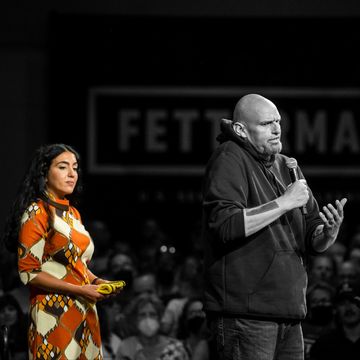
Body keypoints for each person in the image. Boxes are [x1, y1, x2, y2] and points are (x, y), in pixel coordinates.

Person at [201, 94, 347, 360]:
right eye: (267, 123)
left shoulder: (287, 165)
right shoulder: (229, 157)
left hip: (289, 313)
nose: (277, 128)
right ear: (240, 130)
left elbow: (313, 235)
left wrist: (327, 233)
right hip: (247, 316)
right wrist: (283, 202)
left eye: (278, 121)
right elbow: (225, 225)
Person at [1, 143, 122, 359]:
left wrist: (96, 282)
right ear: (44, 174)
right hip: (53, 314)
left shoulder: (73, 213)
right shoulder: (37, 212)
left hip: (84, 310)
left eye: (75, 168)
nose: (71, 174)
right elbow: (29, 272)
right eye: (63, 167)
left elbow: (78, 265)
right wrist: (79, 290)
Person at [115, 293, 189, 360]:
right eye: (142, 315)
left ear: (160, 318)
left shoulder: (176, 348)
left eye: (152, 314)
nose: (148, 319)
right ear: (135, 319)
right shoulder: (126, 348)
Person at [309, 283, 360, 360]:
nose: (348, 308)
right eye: (342, 303)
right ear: (335, 309)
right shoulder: (323, 344)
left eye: (352, 302)